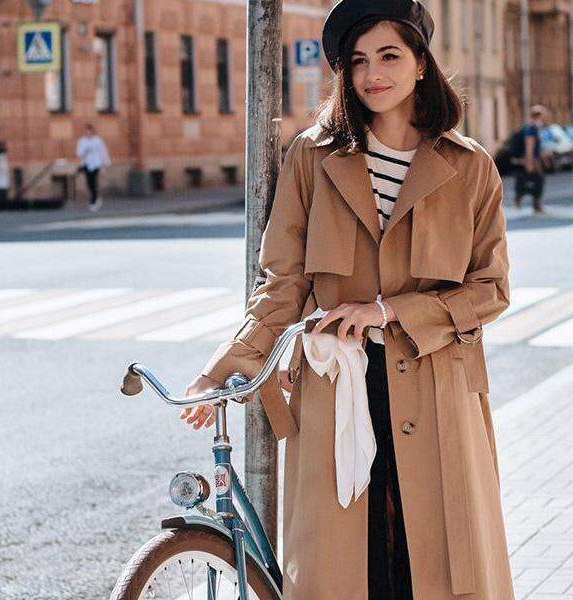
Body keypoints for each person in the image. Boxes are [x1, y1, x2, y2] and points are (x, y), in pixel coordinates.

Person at [181, 1, 514, 598]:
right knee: (344, 568)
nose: (372, 74)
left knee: (434, 565)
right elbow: (282, 281)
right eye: (358, 61)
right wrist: (225, 363)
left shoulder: (469, 167)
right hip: (337, 387)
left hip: (438, 386)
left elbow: (490, 289)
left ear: (420, 63)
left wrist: (388, 311)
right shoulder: (312, 158)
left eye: (389, 56)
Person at [512, 104, 549, 214]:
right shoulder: (531, 128)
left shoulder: (534, 127)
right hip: (532, 159)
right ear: (539, 115)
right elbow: (529, 145)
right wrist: (530, 162)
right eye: (544, 115)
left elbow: (537, 146)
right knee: (539, 180)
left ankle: (520, 198)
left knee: (529, 179)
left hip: (533, 158)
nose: (546, 117)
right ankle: (534, 205)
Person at [75, 123, 111, 211]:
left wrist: (106, 162)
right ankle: (96, 198)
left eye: (89, 131)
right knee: (89, 183)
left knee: (94, 182)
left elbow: (103, 151)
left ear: (92, 131)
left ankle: (93, 202)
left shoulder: (97, 140)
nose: (88, 133)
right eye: (86, 132)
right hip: (86, 164)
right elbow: (79, 153)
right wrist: (85, 150)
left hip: (96, 164)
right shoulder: (82, 141)